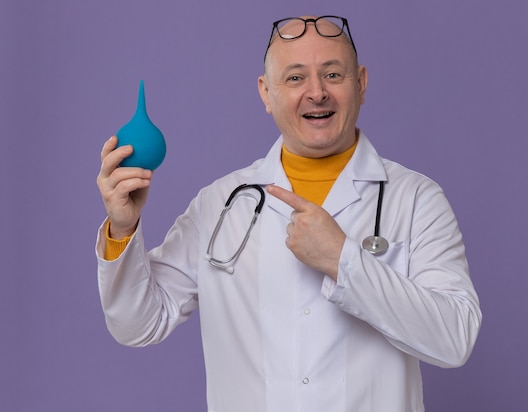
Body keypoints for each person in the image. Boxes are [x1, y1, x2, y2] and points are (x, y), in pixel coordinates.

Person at [96, 15, 481, 412]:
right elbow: (137, 325)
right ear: (266, 93)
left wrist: (343, 260)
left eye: (333, 74)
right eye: (295, 78)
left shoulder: (416, 199)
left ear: (361, 83)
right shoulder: (220, 204)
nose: (317, 93)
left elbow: (455, 338)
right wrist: (123, 228)